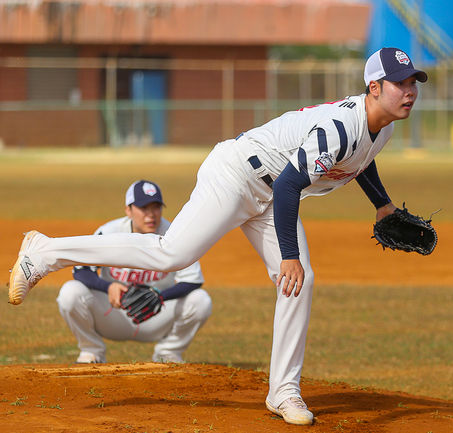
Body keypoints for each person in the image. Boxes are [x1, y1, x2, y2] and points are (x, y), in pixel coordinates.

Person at [9, 47, 427, 426]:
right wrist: (287, 254)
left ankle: (283, 391)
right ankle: (45, 252)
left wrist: (383, 205)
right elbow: (288, 187)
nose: (409, 91)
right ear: (374, 87)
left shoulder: (383, 127)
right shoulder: (338, 126)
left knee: (300, 284)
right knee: (172, 254)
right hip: (237, 174)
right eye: (400, 83)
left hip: (270, 191)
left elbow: (360, 159)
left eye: (413, 83)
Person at [56, 180, 212, 364]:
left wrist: (160, 296)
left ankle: (168, 354)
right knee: (70, 292)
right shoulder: (109, 233)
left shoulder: (175, 234)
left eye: (156, 207)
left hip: (155, 314)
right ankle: (92, 351)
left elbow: (193, 280)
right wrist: (108, 286)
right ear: (128, 210)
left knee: (200, 300)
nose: (151, 215)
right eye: (143, 208)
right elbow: (81, 271)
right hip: (113, 312)